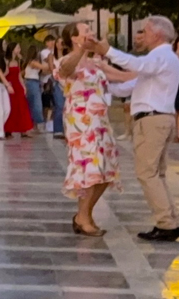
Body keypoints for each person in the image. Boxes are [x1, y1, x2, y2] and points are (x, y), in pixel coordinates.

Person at [98, 17, 179, 240]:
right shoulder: (164, 58)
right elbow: (130, 86)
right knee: (157, 174)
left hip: (152, 120)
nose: (142, 35)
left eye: (145, 31)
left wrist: (107, 50)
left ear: (157, 34)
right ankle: (173, 220)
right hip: (159, 118)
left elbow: (135, 66)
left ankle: (166, 223)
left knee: (147, 173)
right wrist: (100, 78)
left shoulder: (160, 55)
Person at [54, 24, 126, 236]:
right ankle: (83, 217)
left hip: (101, 121)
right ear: (75, 38)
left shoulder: (97, 62)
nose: (91, 33)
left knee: (105, 170)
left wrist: (150, 71)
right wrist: (81, 50)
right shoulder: (65, 61)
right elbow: (65, 71)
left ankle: (83, 214)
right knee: (89, 169)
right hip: (81, 122)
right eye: (86, 31)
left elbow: (121, 77)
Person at [4, 44, 34, 137]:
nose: (19, 49)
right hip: (10, 85)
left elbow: (19, 75)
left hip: (17, 85)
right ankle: (8, 129)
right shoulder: (6, 61)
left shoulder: (16, 62)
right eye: (18, 48)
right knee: (11, 107)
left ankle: (24, 129)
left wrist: (23, 86)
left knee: (22, 107)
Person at [42, 34, 66, 137]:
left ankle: (66, 129)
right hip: (57, 82)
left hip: (67, 82)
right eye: (58, 43)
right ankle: (58, 130)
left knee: (66, 106)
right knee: (59, 105)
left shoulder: (67, 56)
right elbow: (52, 69)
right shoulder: (51, 56)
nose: (60, 45)